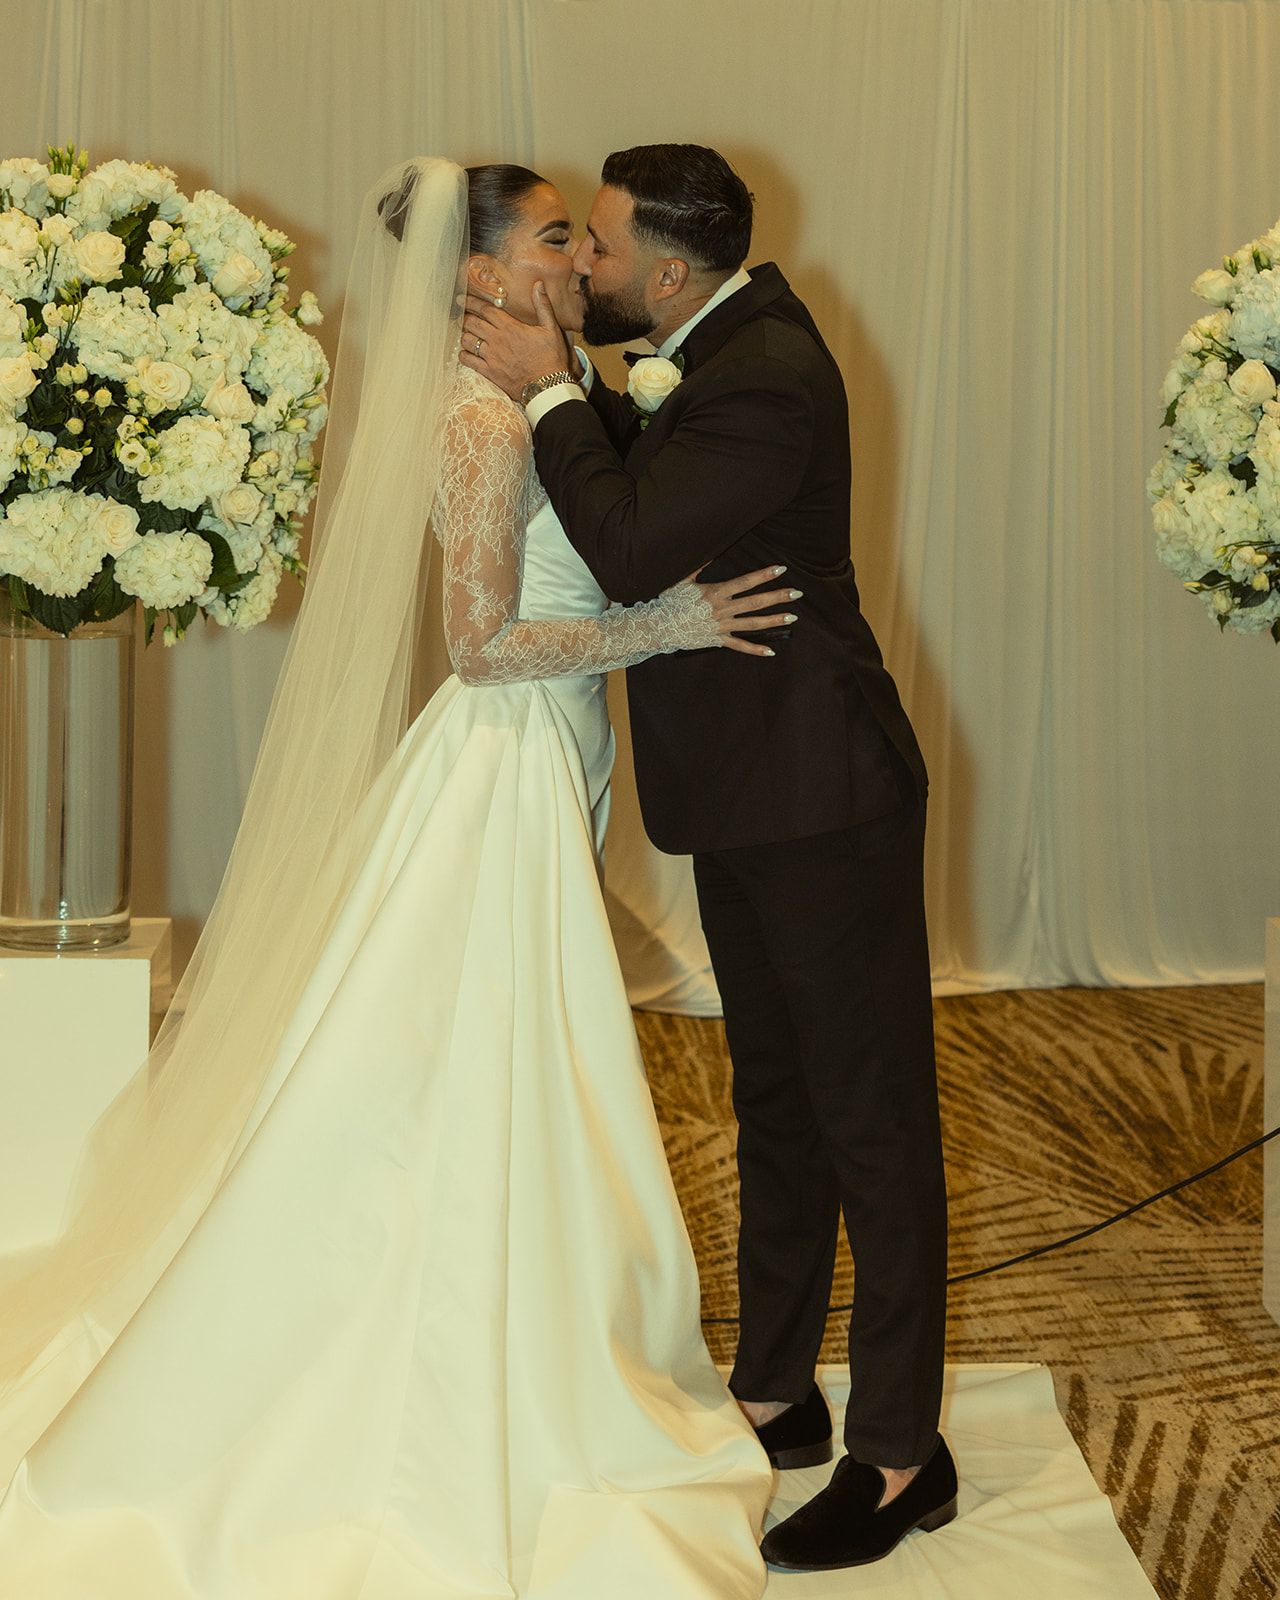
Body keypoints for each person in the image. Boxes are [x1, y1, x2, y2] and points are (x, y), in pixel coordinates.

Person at [0, 158, 794, 1597]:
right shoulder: (483, 417)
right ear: (480, 272)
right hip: (497, 767)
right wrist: (671, 622)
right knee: (481, 1065)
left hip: (547, 754)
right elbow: (482, 641)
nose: (582, 261)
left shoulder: (536, 393)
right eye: (558, 237)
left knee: (478, 1065)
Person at [462, 142, 957, 1573]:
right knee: (779, 1100)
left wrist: (550, 384)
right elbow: (637, 502)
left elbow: (624, 550)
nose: (585, 269)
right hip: (750, 790)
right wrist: (573, 388)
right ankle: (778, 1389)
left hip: (823, 795)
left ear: (668, 272)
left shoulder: (765, 375)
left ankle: (901, 1453)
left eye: (600, 250)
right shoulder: (703, 350)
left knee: (872, 1117)